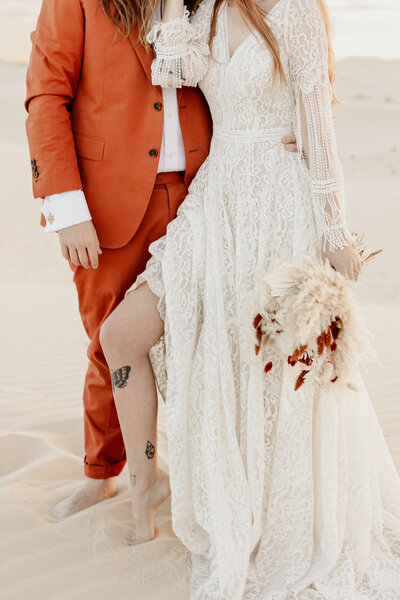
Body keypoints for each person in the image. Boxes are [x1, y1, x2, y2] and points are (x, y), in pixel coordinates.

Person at [100, 0, 400, 596]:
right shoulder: (205, 11)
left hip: (282, 208)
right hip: (217, 207)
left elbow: (318, 126)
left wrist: (336, 233)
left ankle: (280, 518)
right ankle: (148, 486)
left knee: (277, 376)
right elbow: (170, 69)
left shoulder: (296, 13)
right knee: (122, 335)